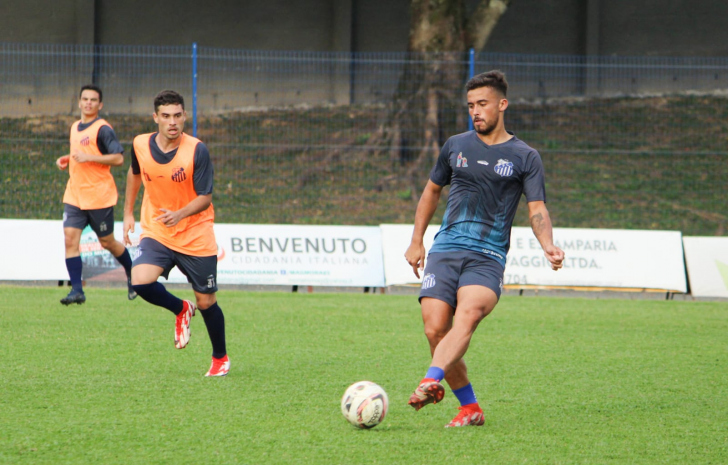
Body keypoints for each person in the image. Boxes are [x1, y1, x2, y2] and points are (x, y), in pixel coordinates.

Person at [404, 70, 565, 427]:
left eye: (482, 104)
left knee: (468, 315)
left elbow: (536, 209)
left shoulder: (525, 156)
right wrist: (417, 241)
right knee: (434, 329)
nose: (475, 112)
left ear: (502, 105)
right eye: (470, 106)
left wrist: (548, 245)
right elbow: (431, 191)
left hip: (487, 256)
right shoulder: (456, 145)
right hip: (446, 248)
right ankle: (470, 408)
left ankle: (430, 379)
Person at [123, 90, 229, 377]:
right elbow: (135, 173)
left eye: (178, 116)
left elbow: (205, 197)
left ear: (185, 116)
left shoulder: (197, 150)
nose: (173, 122)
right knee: (140, 280)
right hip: (158, 227)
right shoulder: (140, 144)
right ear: (155, 117)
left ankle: (220, 358)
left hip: (195, 232)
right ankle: (181, 308)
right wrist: (128, 213)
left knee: (206, 301)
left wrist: (180, 214)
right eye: (166, 116)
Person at [56, 84, 136, 305]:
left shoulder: (103, 129)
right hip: (75, 195)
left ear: (100, 105)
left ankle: (132, 274)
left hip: (99, 196)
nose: (88, 103)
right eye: (85, 99)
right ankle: (77, 291)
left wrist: (88, 158)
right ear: (79, 102)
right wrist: (68, 159)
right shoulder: (75, 127)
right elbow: (80, 154)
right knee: (70, 239)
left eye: (93, 100)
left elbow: (118, 158)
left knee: (107, 242)